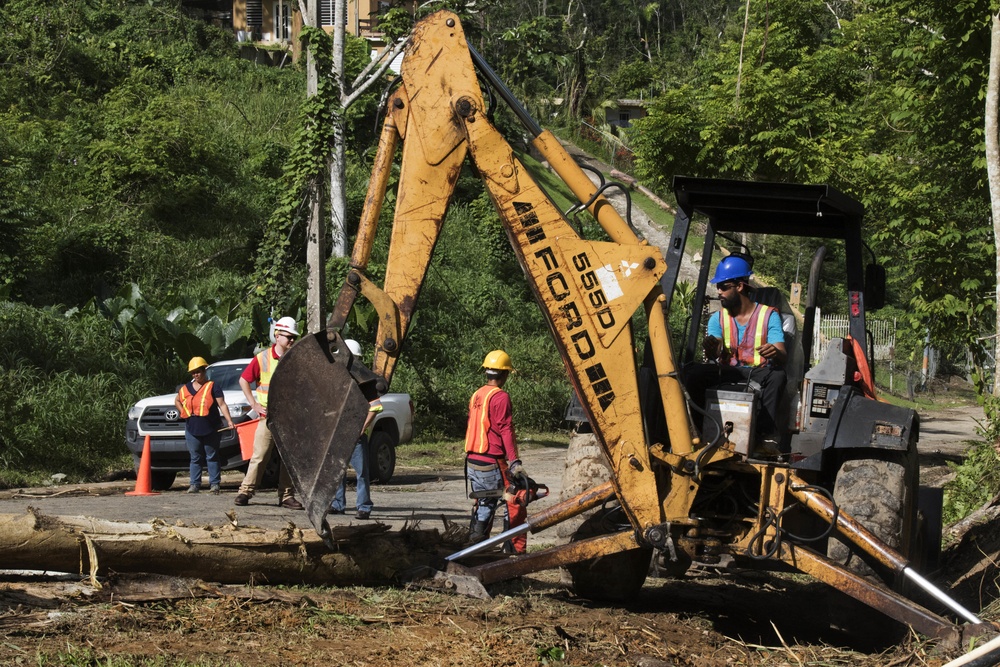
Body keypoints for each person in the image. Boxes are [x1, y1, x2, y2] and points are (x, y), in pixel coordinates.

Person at [687, 256, 787, 450]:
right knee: (694, 374)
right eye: (718, 287)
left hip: (759, 371)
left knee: (778, 377)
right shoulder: (718, 318)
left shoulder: (769, 315)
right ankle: (697, 430)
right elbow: (715, 351)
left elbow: (782, 355)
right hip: (727, 370)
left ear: (740, 286)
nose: (719, 292)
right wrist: (712, 347)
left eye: (723, 287)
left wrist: (774, 351)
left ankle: (765, 437)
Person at [233, 316, 304, 510]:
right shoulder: (262, 358)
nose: (291, 340)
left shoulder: (296, 359)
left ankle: (286, 496)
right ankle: (245, 491)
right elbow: (243, 380)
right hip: (268, 416)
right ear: (277, 335)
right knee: (260, 455)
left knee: (288, 459)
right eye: (288, 336)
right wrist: (254, 404)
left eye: (293, 337)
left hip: (289, 418)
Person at [464, 349, 529, 553]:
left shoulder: (478, 394)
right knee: (515, 499)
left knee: (484, 501)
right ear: (505, 374)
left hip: (473, 460)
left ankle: (476, 547)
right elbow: (505, 429)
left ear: (487, 372)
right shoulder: (500, 397)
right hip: (492, 460)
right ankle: (513, 551)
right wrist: (514, 461)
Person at [329, 339, 381, 520]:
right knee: (338, 471)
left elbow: (375, 406)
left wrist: (361, 428)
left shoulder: (364, 381)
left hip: (355, 436)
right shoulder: (336, 380)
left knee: (361, 473)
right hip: (339, 434)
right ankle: (337, 504)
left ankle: (364, 507)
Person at [175, 357, 235, 494]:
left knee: (212, 456)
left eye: (198, 372)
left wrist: (229, 421)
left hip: (211, 428)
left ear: (204, 371)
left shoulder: (213, 386)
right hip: (192, 428)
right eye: (193, 373)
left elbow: (222, 405)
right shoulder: (185, 388)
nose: (196, 375)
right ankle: (194, 484)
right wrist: (183, 411)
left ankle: (214, 484)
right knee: (195, 457)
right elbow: (177, 400)